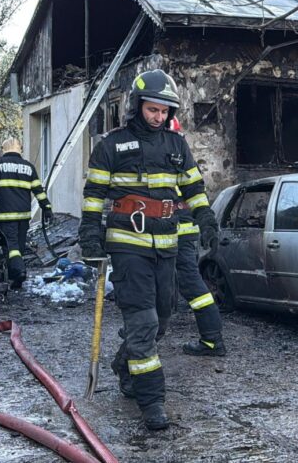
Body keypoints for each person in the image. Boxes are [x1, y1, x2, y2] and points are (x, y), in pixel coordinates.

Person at [78, 69, 218, 431]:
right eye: (152, 110)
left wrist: (207, 218)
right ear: (137, 106)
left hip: (167, 244)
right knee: (142, 322)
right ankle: (152, 401)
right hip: (127, 245)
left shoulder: (176, 145)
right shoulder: (112, 145)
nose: (158, 117)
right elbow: (94, 196)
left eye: (164, 112)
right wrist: (89, 235)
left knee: (162, 320)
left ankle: (124, 364)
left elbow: (193, 188)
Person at [167, 118, 225, 356]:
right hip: (182, 229)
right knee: (180, 283)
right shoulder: (180, 154)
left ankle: (212, 340)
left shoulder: (171, 155)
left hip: (177, 230)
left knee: (190, 285)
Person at [0, 137, 54, 289]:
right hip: (23, 215)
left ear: (4, 149)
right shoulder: (28, 166)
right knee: (19, 246)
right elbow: (38, 190)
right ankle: (15, 278)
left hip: (5, 214)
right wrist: (47, 208)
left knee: (11, 246)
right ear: (20, 149)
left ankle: (19, 272)